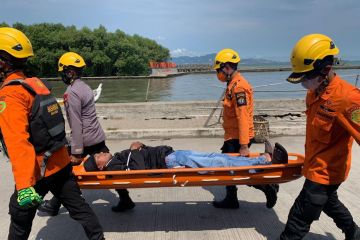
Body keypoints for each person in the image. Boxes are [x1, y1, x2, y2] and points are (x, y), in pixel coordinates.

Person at [0, 27, 104, 239]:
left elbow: (18, 143)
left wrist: (24, 186)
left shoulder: (11, 94)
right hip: (61, 161)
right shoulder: (36, 83)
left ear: (3, 61)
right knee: (80, 208)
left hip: (38, 169)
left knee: (20, 216)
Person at [280, 34, 360, 240]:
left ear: (325, 69)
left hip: (327, 172)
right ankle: (354, 232)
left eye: (306, 77)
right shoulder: (314, 92)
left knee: (299, 219)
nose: (303, 83)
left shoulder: (347, 98)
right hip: (314, 164)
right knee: (329, 203)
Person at [38, 52, 134, 216]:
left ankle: (53, 205)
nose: (62, 75)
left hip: (84, 140)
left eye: (63, 72)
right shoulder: (86, 87)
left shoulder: (72, 92)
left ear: (70, 72)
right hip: (96, 136)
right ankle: (125, 199)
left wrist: (76, 151)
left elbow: (76, 124)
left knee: (63, 171)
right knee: (111, 168)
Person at [212, 48, 279, 209]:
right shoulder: (232, 84)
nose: (218, 74)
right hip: (232, 136)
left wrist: (243, 145)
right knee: (230, 168)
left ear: (227, 68)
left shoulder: (239, 88)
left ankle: (266, 186)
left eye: (219, 70)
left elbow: (242, 117)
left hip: (237, 138)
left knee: (235, 170)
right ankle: (231, 198)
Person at [82, 141, 288, 172]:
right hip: (170, 161)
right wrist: (135, 150)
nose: (100, 152)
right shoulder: (115, 166)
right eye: (97, 156)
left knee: (216, 157)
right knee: (220, 163)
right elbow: (140, 166)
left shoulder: (116, 158)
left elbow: (140, 155)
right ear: (100, 166)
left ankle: (259, 158)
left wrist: (139, 146)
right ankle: (264, 162)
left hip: (171, 154)